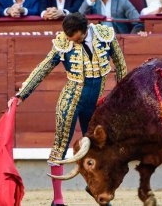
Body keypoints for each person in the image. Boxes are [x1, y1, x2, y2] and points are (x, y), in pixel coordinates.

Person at [7, 12, 127, 206]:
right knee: (60, 147)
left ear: (84, 31)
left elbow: (121, 65)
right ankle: (58, 199)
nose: (71, 41)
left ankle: (97, 190)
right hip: (70, 101)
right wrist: (21, 95)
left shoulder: (105, 35)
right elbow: (43, 67)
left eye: (76, 38)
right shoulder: (64, 41)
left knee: (99, 149)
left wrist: (122, 95)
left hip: (95, 104)